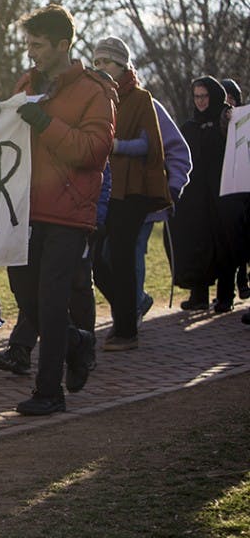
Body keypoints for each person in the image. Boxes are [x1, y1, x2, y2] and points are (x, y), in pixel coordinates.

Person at [0, 4, 114, 415]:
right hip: (23, 208)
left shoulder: (95, 90)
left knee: (52, 299)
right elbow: (10, 132)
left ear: (63, 44)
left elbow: (94, 151)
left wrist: (43, 122)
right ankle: (76, 341)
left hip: (68, 211)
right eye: (28, 44)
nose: (31, 52)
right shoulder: (28, 82)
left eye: (37, 45)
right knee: (27, 295)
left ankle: (48, 392)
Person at [89, 37, 171, 351]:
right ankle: (133, 305)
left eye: (107, 62)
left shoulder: (140, 98)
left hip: (132, 190)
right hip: (103, 190)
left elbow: (149, 144)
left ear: (123, 66)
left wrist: (116, 146)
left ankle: (126, 331)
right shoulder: (94, 98)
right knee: (98, 261)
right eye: (96, 62)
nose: (101, 68)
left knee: (122, 256)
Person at [169, 76, 246, 314]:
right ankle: (199, 295)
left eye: (205, 96)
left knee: (224, 243)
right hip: (197, 196)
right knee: (198, 242)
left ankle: (225, 296)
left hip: (222, 193)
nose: (201, 101)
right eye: (197, 96)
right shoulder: (191, 126)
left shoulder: (226, 120)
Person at [134, 99, 191, 319]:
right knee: (106, 257)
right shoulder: (99, 102)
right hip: (110, 201)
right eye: (97, 62)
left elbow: (179, 151)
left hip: (146, 199)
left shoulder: (149, 106)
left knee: (134, 250)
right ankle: (137, 300)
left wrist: (174, 188)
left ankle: (132, 312)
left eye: (107, 62)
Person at [221, 78, 249, 301]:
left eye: (231, 97)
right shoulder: (219, 120)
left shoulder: (244, 118)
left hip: (245, 189)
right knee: (231, 240)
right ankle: (229, 290)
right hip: (228, 190)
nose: (228, 101)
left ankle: (243, 278)